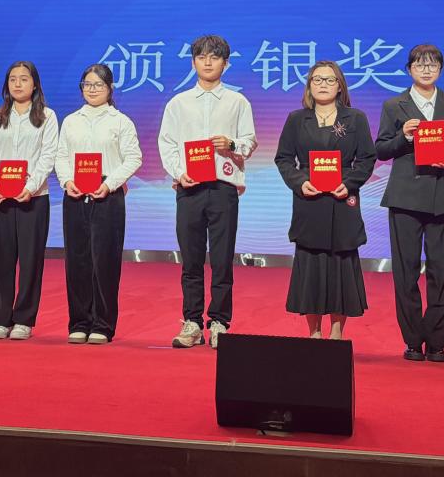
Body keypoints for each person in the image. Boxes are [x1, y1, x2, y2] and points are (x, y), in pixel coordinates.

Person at [157, 35, 257, 349]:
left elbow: (250, 141)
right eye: (201, 57)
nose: (208, 62)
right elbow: (167, 144)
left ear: (225, 64)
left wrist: (232, 144)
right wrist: (179, 173)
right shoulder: (178, 103)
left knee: (223, 259)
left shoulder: (238, 102)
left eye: (214, 57)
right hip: (189, 188)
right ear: (193, 62)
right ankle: (191, 322)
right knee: (191, 259)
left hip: (223, 187)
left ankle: (219, 322)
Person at [374, 45, 444, 362]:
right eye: (419, 64)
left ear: (440, 69)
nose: (426, 69)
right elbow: (381, 150)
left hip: (442, 194)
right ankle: (413, 340)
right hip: (405, 196)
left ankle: (438, 341)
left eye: (432, 64)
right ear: (409, 69)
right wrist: (403, 136)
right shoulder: (394, 105)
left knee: (442, 270)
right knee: (406, 271)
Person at [274, 61, 376, 340]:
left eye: (330, 80)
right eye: (317, 79)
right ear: (309, 85)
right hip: (309, 199)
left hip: (342, 199)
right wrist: (299, 182)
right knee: (311, 265)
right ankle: (314, 332)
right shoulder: (296, 119)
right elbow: (284, 158)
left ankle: (337, 331)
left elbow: (367, 158)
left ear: (340, 86)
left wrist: (349, 183)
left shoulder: (355, 118)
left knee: (341, 264)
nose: (323, 85)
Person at [54, 63, 142, 344]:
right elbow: (61, 156)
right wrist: (67, 181)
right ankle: (79, 322)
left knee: (105, 260)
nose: (92, 90)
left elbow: (134, 158)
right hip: (75, 194)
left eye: (98, 85)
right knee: (77, 260)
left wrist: (110, 183)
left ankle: (103, 324)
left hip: (108, 194)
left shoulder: (121, 121)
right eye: (87, 84)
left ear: (110, 88)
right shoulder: (71, 121)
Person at [0, 61, 58, 341]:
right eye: (12, 79)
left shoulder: (47, 116)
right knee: (2, 260)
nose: (17, 84)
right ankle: (1, 319)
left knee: (30, 260)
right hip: (0, 198)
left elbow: (48, 155)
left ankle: (24, 319)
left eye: (24, 79)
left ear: (34, 84)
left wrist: (30, 186)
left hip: (33, 199)